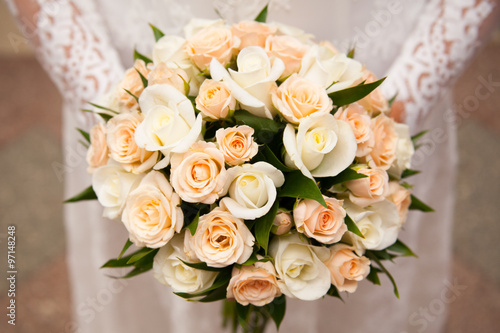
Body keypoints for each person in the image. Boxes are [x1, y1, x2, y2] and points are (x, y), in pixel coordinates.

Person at [6, 0, 500, 332]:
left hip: (372, 70)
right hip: (143, 86)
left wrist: (388, 112)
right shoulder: (137, 115)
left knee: (364, 264)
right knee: (161, 282)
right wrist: (123, 109)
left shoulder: (376, 118)